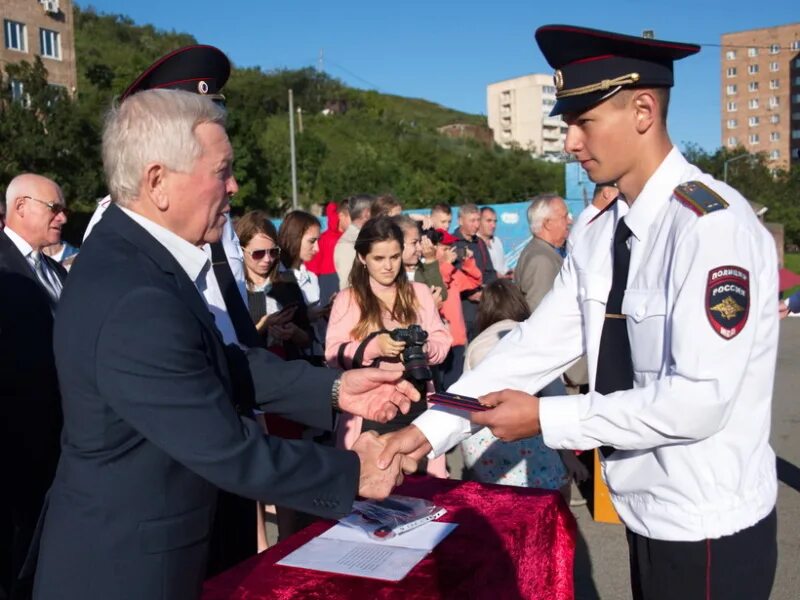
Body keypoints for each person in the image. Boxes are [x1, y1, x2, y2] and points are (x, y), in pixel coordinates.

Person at [381, 25, 779, 600]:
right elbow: (532, 348)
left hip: (707, 521)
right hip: (643, 509)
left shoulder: (709, 228)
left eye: (583, 121)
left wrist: (546, 419)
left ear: (643, 110)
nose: (568, 141)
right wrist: (425, 431)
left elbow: (698, 401)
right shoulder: (600, 231)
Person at [31, 89, 419, 600]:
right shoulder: (133, 290)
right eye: (222, 171)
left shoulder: (137, 260)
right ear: (158, 182)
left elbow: (216, 364)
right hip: (128, 570)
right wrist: (355, 471)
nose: (234, 186)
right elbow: (225, 447)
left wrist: (336, 389)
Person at [326, 217, 452, 477]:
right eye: (379, 258)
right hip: (371, 412)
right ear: (362, 258)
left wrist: (424, 348)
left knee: (424, 496)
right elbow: (332, 355)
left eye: (394, 257)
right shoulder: (348, 299)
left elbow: (442, 341)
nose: (388, 266)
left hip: (419, 408)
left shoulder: (419, 292)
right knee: (374, 497)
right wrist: (374, 347)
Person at [0, 174, 68, 600]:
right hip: (15, 454)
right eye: (54, 207)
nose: (63, 216)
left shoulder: (56, 269)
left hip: (59, 447)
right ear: (21, 206)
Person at [459, 279, 587, 500]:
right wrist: (568, 457)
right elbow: (554, 396)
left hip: (487, 446)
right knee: (546, 509)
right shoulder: (529, 338)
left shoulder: (476, 343)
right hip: (528, 442)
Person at [235, 210, 303, 353]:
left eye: (273, 252)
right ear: (241, 250)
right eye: (258, 253)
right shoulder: (234, 289)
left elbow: (307, 338)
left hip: (291, 367)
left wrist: (295, 332)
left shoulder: (287, 281)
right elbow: (233, 345)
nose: (267, 259)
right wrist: (263, 326)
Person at [435, 229, 482, 389]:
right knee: (440, 389)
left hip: (458, 340)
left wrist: (469, 262)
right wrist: (447, 265)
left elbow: (473, 282)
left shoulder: (452, 271)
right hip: (440, 343)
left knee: (455, 387)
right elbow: (438, 285)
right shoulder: (430, 272)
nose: (450, 252)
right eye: (445, 249)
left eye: (450, 248)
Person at [514, 194, 572, 311]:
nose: (570, 221)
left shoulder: (541, 251)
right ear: (547, 224)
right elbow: (538, 311)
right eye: (565, 217)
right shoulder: (541, 260)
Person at [452, 203, 496, 341]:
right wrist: (469, 293)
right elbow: (450, 275)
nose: (476, 225)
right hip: (462, 310)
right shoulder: (451, 243)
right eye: (472, 220)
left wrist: (486, 291)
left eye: (478, 220)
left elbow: (490, 272)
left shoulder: (480, 243)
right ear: (460, 221)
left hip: (482, 308)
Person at [393, 214, 445, 308]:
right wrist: (428, 306)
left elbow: (441, 295)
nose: (420, 248)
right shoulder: (389, 275)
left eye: (420, 242)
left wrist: (430, 260)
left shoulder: (420, 267)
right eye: (414, 243)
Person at [305, 199, 349, 300]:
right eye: (353, 218)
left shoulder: (353, 238)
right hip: (327, 286)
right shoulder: (324, 239)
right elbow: (312, 266)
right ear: (342, 216)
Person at [567, 183, 620, 254]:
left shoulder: (593, 216)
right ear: (606, 193)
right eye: (619, 194)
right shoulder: (593, 220)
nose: (621, 199)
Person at [334, 194, 373, 289]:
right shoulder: (348, 243)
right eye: (376, 212)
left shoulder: (361, 238)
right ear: (367, 213)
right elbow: (346, 283)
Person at [477, 206, 509, 276]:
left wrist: (508, 273)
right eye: (489, 221)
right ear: (478, 221)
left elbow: (503, 267)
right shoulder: (473, 243)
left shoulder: (497, 241)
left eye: (495, 221)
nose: (493, 225)